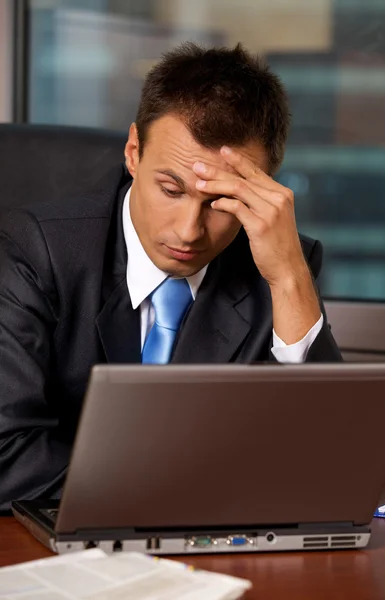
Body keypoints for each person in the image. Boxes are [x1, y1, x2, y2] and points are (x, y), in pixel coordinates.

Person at [0, 43, 341, 511]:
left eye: (220, 201)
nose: (188, 231)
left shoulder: (281, 265)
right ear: (134, 152)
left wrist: (288, 280)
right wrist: (183, 493)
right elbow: (8, 456)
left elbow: (331, 464)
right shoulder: (35, 249)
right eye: (170, 189)